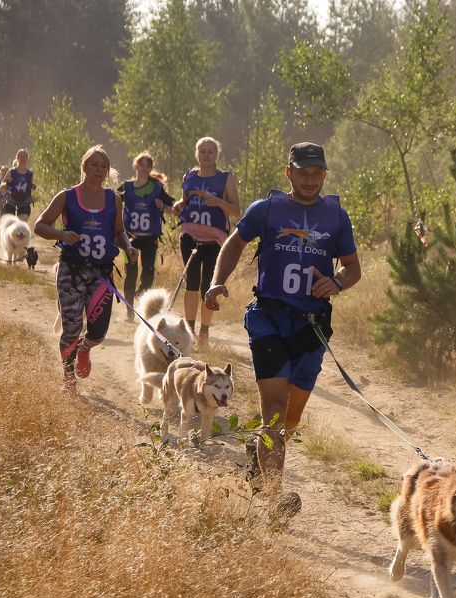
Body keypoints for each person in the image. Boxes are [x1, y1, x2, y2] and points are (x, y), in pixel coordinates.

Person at [205, 142, 360, 514]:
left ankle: (257, 454)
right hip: (269, 318)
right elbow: (234, 243)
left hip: (311, 326)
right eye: (303, 172)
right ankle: (275, 503)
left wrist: (337, 283)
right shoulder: (268, 209)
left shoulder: (336, 215)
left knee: (290, 419)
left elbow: (353, 267)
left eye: (317, 173)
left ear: (324, 174)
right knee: (274, 410)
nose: (310, 180)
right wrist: (216, 281)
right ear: (288, 171)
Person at [33, 145, 139, 389]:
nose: (99, 170)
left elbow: (119, 232)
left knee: (99, 332)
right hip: (71, 270)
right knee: (71, 327)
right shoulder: (67, 196)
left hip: (101, 274)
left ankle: (85, 348)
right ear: (84, 167)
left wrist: (128, 247)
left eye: (104, 166)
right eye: (94, 164)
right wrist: (61, 233)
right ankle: (68, 378)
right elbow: (40, 225)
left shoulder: (114, 199)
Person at [171, 137, 240, 347]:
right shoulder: (189, 177)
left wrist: (218, 202)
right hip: (190, 236)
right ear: (197, 154)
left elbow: (236, 211)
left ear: (217, 155)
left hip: (215, 240)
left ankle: (204, 331)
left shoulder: (225, 178)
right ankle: (190, 330)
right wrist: (178, 205)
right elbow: (186, 200)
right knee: (191, 282)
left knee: (208, 286)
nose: (206, 155)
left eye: (211, 152)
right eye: (203, 151)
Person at [117, 152, 175, 319]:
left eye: (147, 166)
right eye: (141, 165)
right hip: (130, 238)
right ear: (135, 166)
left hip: (151, 238)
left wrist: (163, 206)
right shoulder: (126, 187)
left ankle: (141, 300)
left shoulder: (157, 188)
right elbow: (111, 202)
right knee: (131, 273)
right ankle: (129, 311)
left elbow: (174, 209)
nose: (144, 168)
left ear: (151, 168)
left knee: (148, 274)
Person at [0, 149, 35, 221]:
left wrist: (32, 186)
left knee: (20, 226)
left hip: (24, 203)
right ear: (17, 158)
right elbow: (1, 187)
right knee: (9, 225)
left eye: (24, 156)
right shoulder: (11, 171)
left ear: (27, 158)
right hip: (11, 201)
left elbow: (30, 187)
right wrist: (7, 183)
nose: (22, 158)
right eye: (20, 156)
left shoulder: (30, 174)